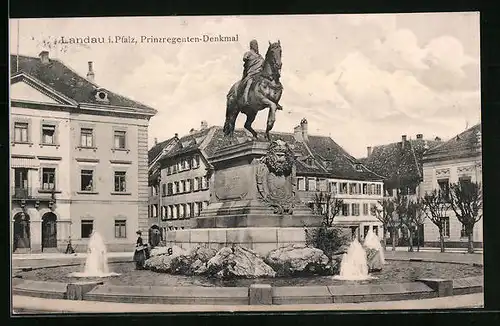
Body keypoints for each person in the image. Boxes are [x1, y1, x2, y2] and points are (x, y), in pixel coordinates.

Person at [241, 39, 265, 105]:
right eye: (254, 44)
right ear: (251, 45)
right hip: (251, 74)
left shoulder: (260, 56)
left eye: (257, 45)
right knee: (249, 83)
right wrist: (248, 57)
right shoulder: (248, 53)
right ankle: (245, 99)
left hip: (259, 74)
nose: (256, 46)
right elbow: (244, 58)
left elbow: (264, 63)